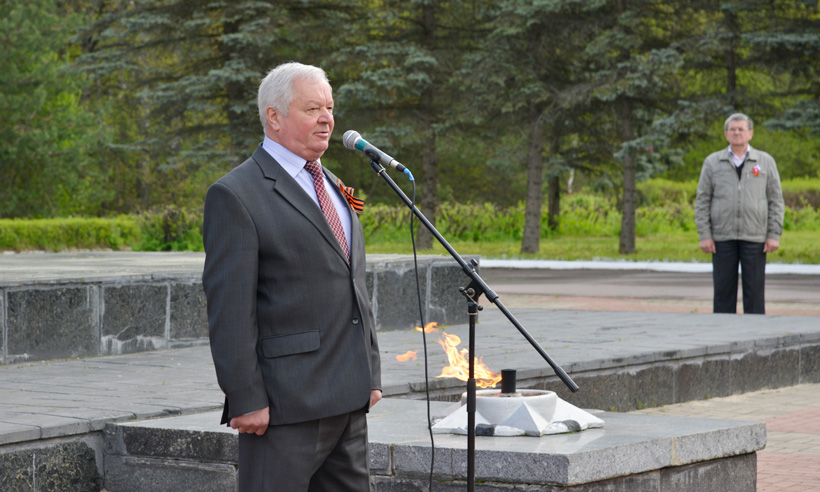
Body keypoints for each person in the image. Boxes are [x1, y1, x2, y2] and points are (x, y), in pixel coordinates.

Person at [202, 62, 382, 491]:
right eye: (312, 109)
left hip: (348, 399)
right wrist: (246, 398)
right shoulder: (235, 194)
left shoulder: (332, 183)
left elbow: (351, 283)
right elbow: (230, 308)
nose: (327, 119)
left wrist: (370, 372)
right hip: (286, 406)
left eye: (330, 108)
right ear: (275, 117)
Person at [695, 112, 784, 314]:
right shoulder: (712, 162)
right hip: (722, 237)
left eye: (741, 129)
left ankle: (755, 331)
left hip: (755, 237)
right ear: (726, 134)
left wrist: (773, 234)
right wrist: (705, 235)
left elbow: (776, 200)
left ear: (750, 133)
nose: (737, 133)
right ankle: (723, 331)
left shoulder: (765, 161)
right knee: (723, 292)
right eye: (732, 129)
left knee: (755, 294)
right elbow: (702, 200)